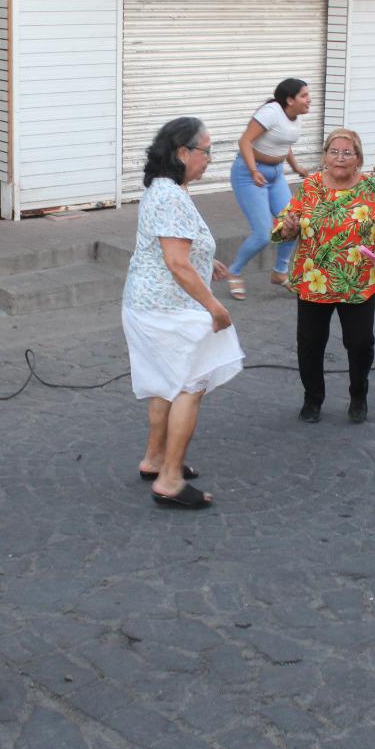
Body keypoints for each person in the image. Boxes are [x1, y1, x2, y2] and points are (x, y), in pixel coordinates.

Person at [122, 117, 243, 510]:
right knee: (191, 385)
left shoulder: (163, 189)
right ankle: (169, 480)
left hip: (149, 305)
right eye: (206, 151)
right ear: (183, 153)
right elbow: (176, 262)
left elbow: (175, 251)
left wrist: (209, 263)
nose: (210, 159)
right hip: (167, 309)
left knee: (164, 383)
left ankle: (155, 459)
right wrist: (214, 305)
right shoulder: (171, 196)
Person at [271, 128, 375, 423]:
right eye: (334, 152)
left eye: (347, 153)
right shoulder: (310, 186)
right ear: (324, 156)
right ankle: (313, 398)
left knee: (360, 343)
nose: (340, 158)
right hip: (314, 279)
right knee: (310, 344)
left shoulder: (372, 189)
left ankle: (358, 394)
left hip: (356, 281)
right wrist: (290, 226)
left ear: (358, 159)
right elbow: (283, 228)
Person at [228, 79, 310, 300]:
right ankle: (234, 272)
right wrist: (254, 171)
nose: (308, 99)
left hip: (275, 175)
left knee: (293, 222)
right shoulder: (271, 112)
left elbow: (284, 143)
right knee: (263, 233)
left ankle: (280, 272)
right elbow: (245, 141)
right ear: (289, 100)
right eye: (303, 95)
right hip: (249, 174)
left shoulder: (294, 118)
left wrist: (295, 167)